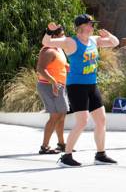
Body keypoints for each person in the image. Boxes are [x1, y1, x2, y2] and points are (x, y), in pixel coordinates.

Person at [42, 15, 120, 167]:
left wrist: (108, 35)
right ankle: (66, 156)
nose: (93, 27)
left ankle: (100, 154)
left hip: (92, 85)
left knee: (101, 119)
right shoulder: (71, 42)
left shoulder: (94, 40)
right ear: (82, 26)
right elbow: (46, 42)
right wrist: (49, 31)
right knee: (82, 121)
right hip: (76, 86)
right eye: (91, 24)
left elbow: (115, 42)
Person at [36, 24, 69, 154]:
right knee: (55, 116)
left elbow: (61, 66)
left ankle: (61, 144)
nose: (64, 37)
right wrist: (54, 81)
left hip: (59, 86)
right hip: (49, 86)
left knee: (61, 114)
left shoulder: (59, 50)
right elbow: (40, 69)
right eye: (62, 35)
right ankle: (44, 147)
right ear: (54, 37)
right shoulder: (48, 50)